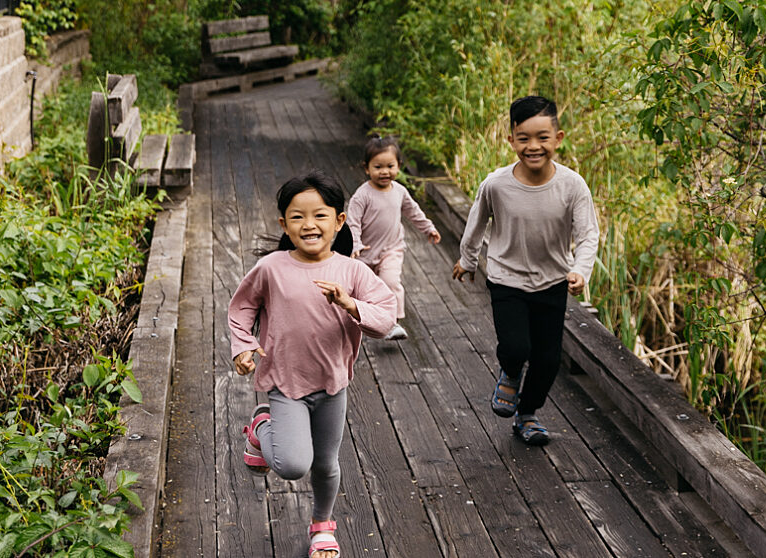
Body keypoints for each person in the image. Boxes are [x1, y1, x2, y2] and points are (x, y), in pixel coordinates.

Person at [229, 170, 396, 558]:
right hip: (285, 383)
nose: (309, 225)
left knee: (325, 463)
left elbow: (386, 318)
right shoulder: (272, 267)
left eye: (320, 215)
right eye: (297, 216)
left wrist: (349, 303)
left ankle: (322, 525)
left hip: (333, 384)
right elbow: (241, 308)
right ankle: (262, 425)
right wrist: (243, 346)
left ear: (339, 221)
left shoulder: (352, 271)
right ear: (283, 223)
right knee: (291, 465)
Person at [452, 95, 600, 446]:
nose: (533, 146)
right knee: (517, 347)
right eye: (524, 138)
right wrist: (468, 259)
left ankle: (527, 413)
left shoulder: (572, 185)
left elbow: (587, 233)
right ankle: (511, 370)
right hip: (507, 278)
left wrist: (581, 270)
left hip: (552, 281)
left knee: (548, 360)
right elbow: (476, 223)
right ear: (510, 140)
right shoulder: (497, 184)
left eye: (542, 137)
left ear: (558, 138)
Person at [346, 137, 441, 341]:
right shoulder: (362, 195)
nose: (384, 171)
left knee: (390, 281)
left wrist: (428, 228)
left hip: (392, 248)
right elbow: (352, 222)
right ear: (366, 168)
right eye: (378, 167)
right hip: (365, 251)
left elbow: (413, 211)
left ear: (398, 166)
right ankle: (360, 319)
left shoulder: (399, 191)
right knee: (361, 289)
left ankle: (392, 322)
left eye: (390, 166)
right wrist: (355, 244)